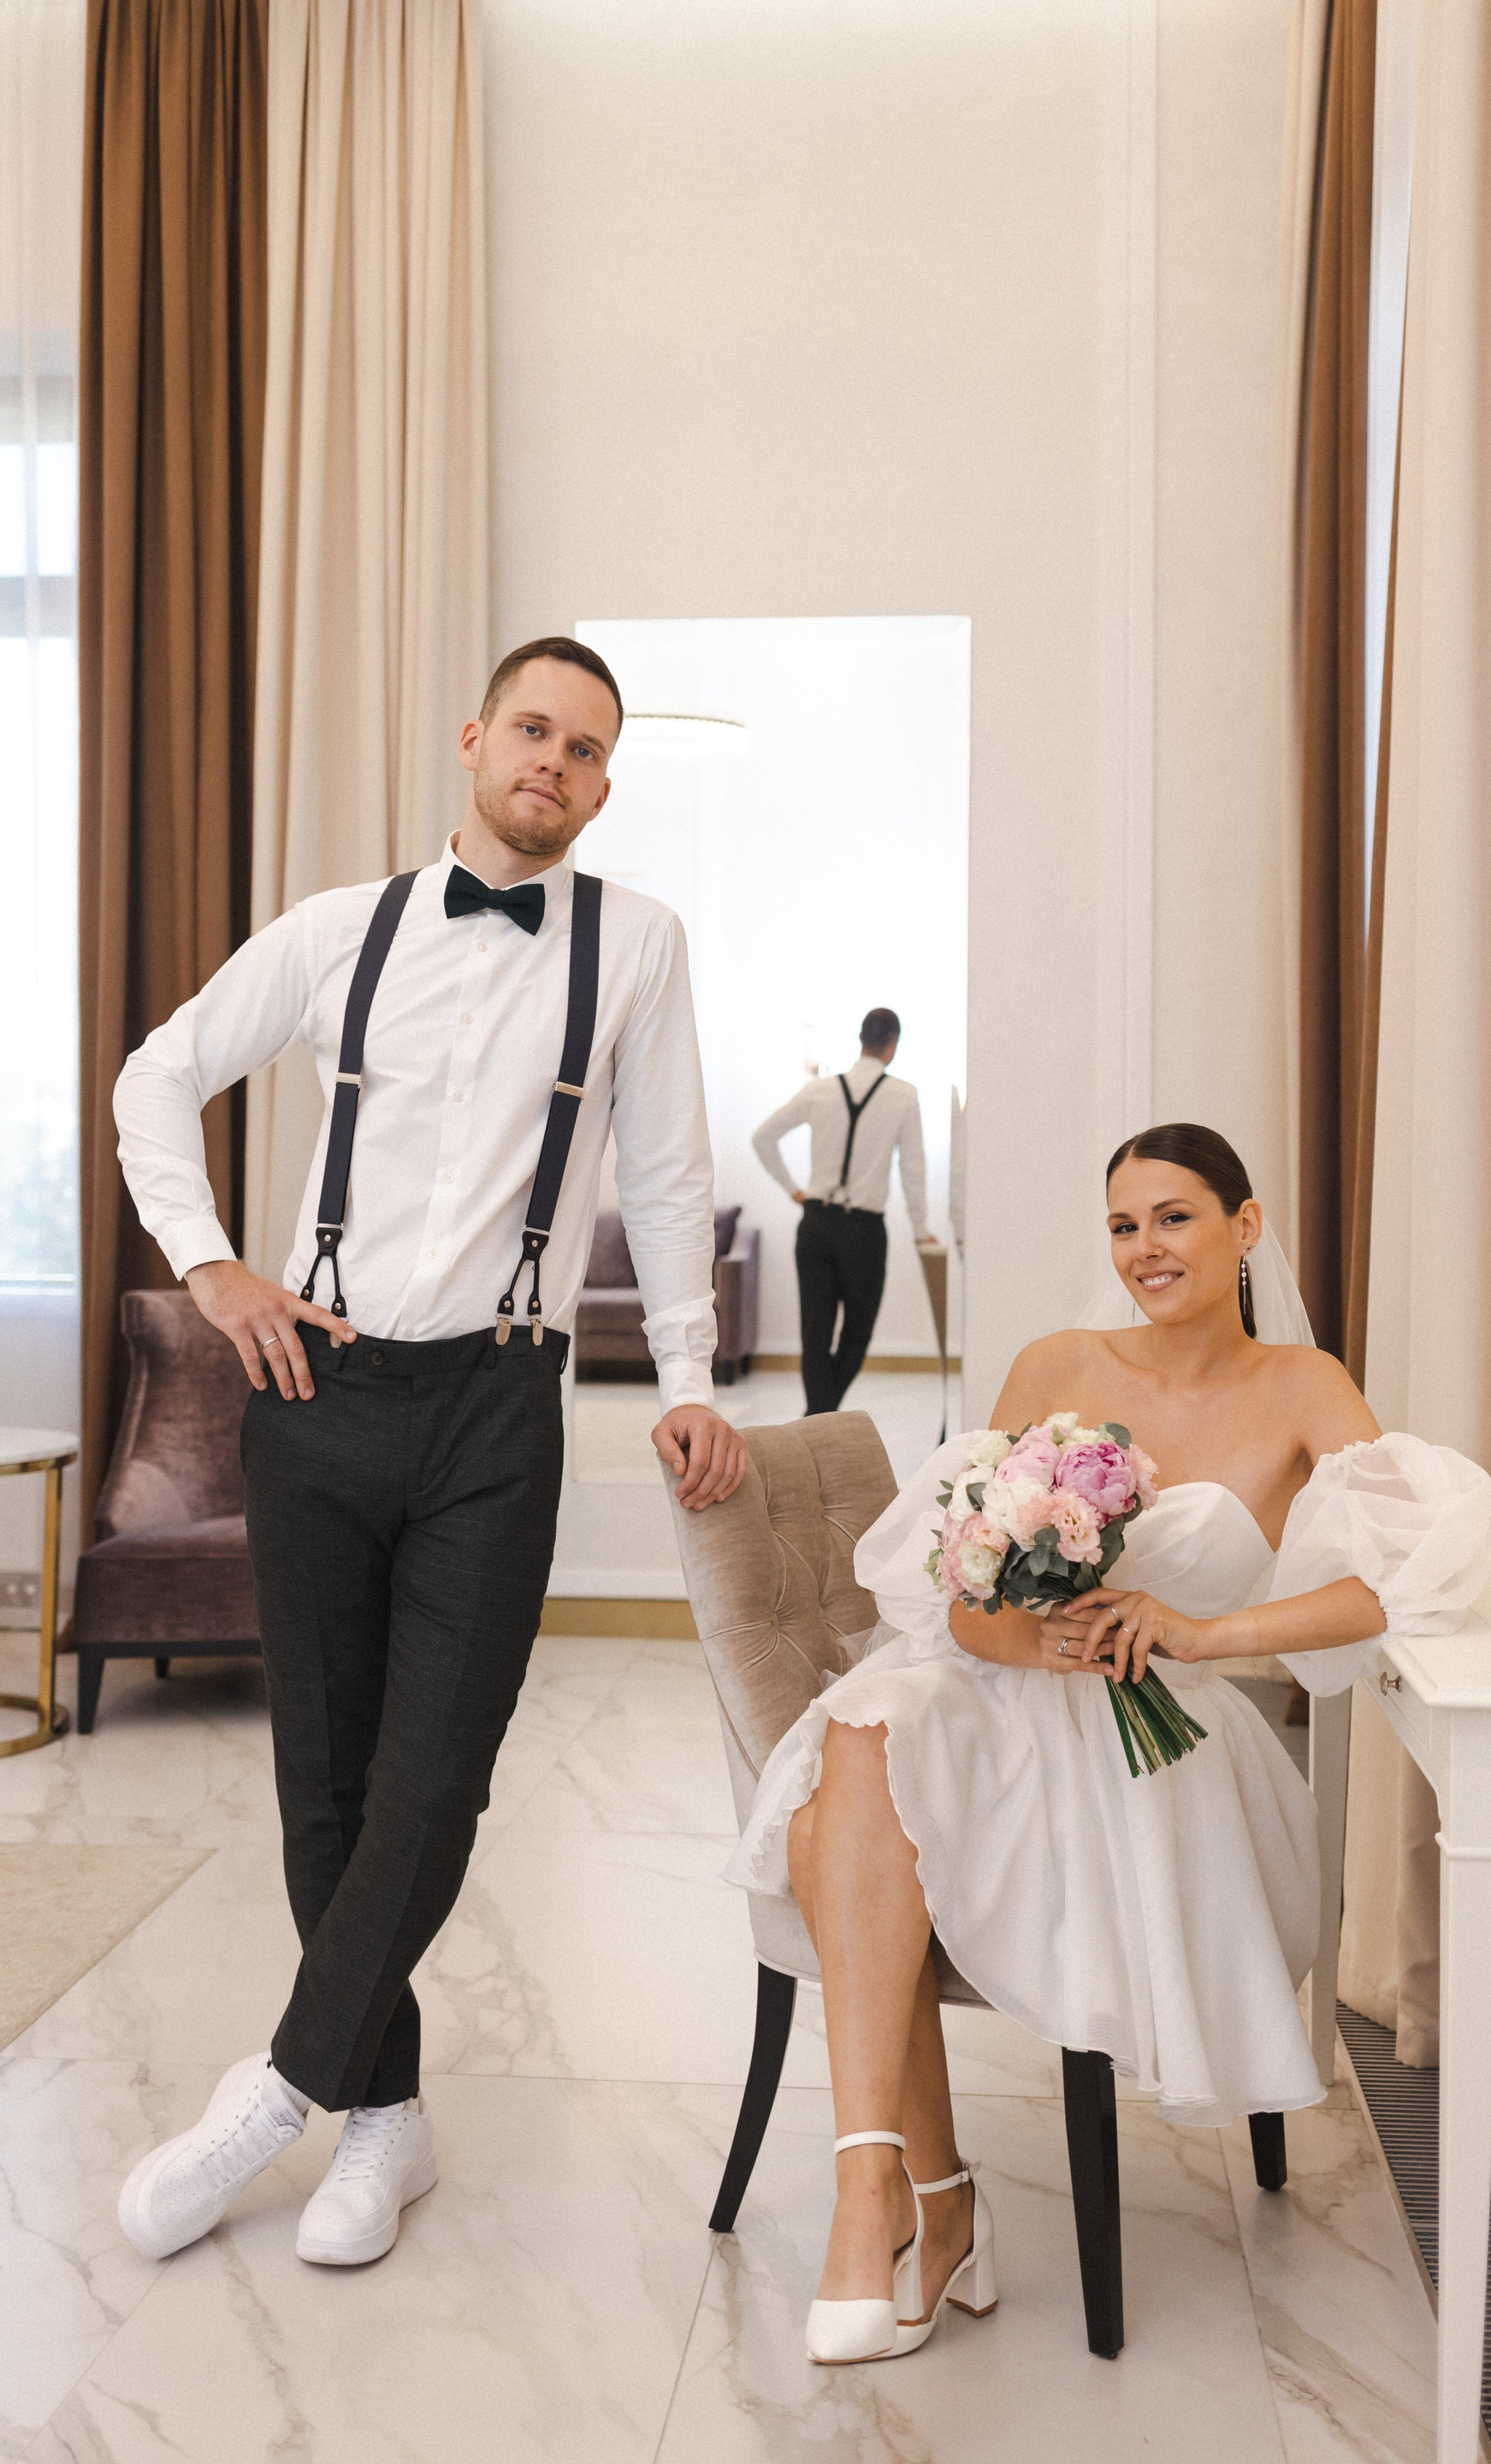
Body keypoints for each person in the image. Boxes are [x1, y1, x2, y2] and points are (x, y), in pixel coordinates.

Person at [109, 635, 747, 2270]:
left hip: (497, 1408)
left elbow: (670, 1174)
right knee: (323, 1779)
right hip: (315, 1391)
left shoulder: (640, 946)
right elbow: (155, 1079)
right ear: (474, 740)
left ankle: (273, 2092)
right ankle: (384, 2118)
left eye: (587, 750)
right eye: (533, 729)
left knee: (437, 1773)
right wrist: (210, 1266)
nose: (555, 763)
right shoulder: (339, 930)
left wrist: (688, 1374)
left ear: (605, 785)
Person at [723, 1121, 1491, 2365]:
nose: (1146, 1249)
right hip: (999, 1689)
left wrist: (1201, 1632)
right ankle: (877, 2192)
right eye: (1125, 1226)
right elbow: (961, 1604)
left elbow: (1397, 1586)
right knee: (868, 1729)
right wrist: (1042, 1642)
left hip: (1159, 1729)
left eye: (1175, 1217)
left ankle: (937, 2208)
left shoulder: (1303, 1385)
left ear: (1245, 1227)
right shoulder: (1056, 1363)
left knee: (853, 1817)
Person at [752, 1007, 942, 1413]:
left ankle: (816, 1418)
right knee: (858, 1332)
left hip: (816, 1224)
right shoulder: (904, 1095)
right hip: (864, 1232)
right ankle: (821, 1419)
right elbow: (913, 1169)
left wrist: (794, 1191)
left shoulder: (819, 1089)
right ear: (893, 1045)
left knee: (815, 1334)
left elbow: (763, 1137)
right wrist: (920, 1229)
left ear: (860, 1039)